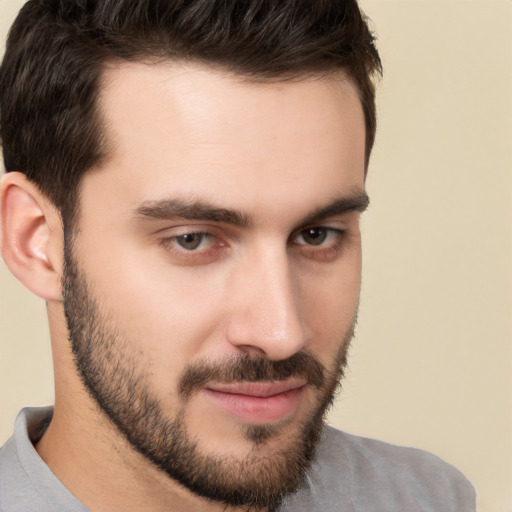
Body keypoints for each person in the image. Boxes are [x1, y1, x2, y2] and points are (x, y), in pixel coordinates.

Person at [0, 1, 476, 511]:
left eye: (316, 234)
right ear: (38, 244)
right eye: (193, 239)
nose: (282, 332)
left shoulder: (425, 499)